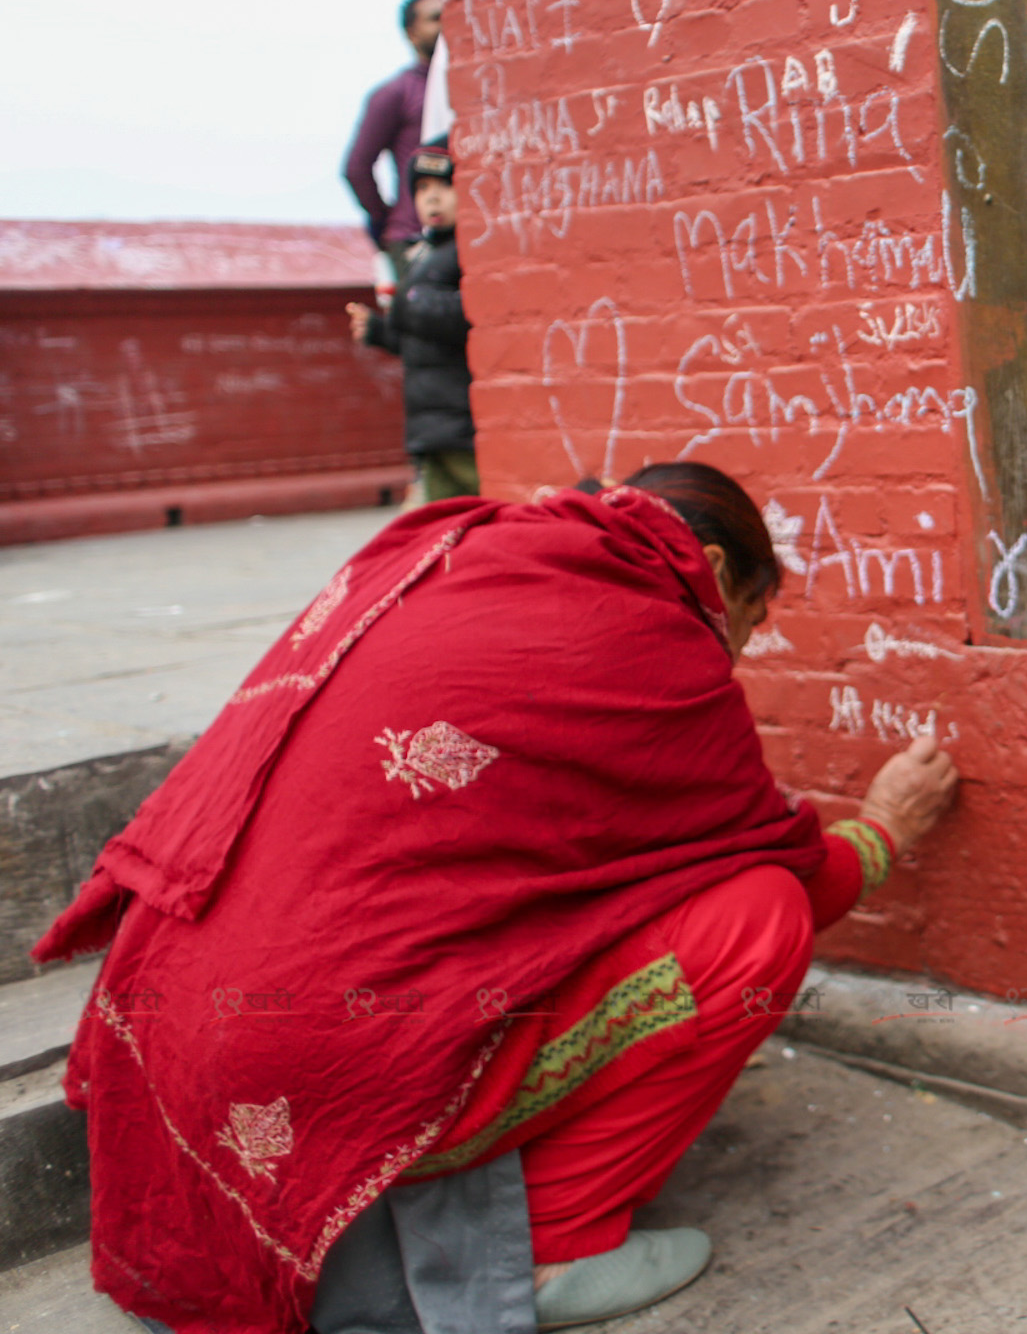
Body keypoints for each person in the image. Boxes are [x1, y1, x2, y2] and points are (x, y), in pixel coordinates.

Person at [33, 462, 959, 1333]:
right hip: (312, 1067)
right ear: (714, 571)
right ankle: (554, 1247)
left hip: (169, 1030)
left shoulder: (454, 548)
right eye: (752, 622)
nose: (741, 653)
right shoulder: (659, 641)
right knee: (761, 917)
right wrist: (885, 828)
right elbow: (802, 880)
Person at [350, 138, 477, 502]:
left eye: (443, 186)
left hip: (463, 425)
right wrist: (378, 331)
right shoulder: (422, 256)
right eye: (422, 190)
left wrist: (409, 300)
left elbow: (469, 315)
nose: (432, 199)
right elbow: (418, 341)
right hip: (431, 429)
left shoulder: (468, 250)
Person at [344, 0, 443, 292]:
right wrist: (387, 221)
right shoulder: (394, 93)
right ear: (411, 33)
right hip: (414, 238)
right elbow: (357, 168)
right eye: (435, 18)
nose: (446, 26)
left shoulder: (469, 83)